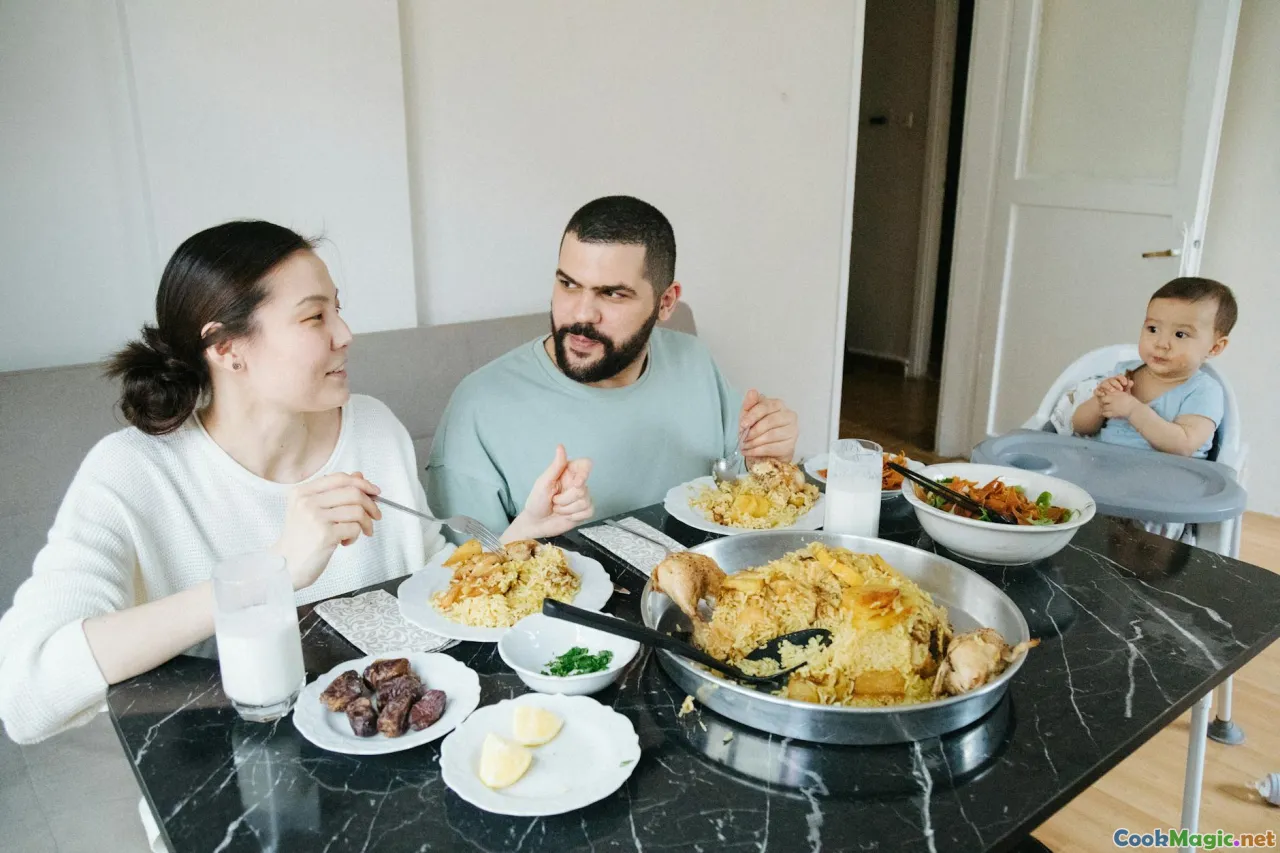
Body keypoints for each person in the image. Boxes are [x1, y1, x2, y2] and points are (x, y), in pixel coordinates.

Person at [0, 220, 591, 745]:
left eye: (338, 308)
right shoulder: (132, 473)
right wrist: (270, 570)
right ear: (228, 348)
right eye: (314, 317)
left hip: (394, 746)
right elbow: (25, 695)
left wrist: (522, 537)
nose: (345, 333)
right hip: (231, 772)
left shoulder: (372, 427)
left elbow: (431, 589)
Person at [427, 195, 800, 533]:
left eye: (613, 294)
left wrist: (770, 457)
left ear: (666, 302)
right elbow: (465, 580)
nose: (582, 315)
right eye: (568, 285)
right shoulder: (479, 406)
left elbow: (740, 486)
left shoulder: (693, 359)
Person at [1072, 277, 1235, 458]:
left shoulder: (1204, 390)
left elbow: (1184, 445)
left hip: (1168, 478)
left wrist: (1133, 410)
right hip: (1105, 464)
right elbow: (1080, 427)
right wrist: (1099, 401)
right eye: (1153, 329)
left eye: (1180, 334)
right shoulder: (1124, 373)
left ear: (1214, 347)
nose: (1161, 343)